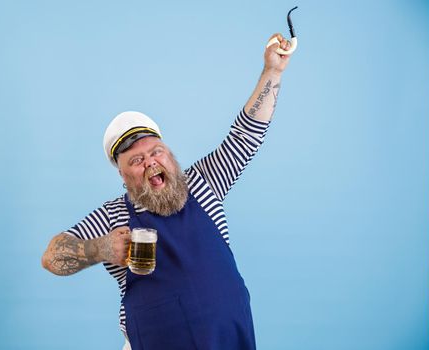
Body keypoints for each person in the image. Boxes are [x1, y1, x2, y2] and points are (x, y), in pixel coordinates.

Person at [42, 33, 292, 350]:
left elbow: (245, 135)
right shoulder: (113, 215)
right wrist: (102, 249)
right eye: (137, 160)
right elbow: (52, 256)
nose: (150, 163)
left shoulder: (204, 182)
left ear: (169, 154)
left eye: (156, 152)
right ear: (122, 175)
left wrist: (273, 71)